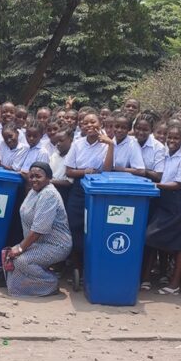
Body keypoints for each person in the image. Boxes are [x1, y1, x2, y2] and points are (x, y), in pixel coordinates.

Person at [5, 162, 72, 297]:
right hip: (39, 243)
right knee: (8, 255)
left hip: (56, 245)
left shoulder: (49, 195)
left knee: (21, 260)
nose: (34, 180)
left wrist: (20, 249)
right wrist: (17, 249)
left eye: (38, 176)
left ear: (48, 178)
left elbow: (38, 230)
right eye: (31, 176)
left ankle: (50, 283)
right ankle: (24, 285)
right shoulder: (34, 191)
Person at [144, 124, 181, 295]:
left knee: (179, 245)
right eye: (169, 137)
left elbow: (178, 184)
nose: (171, 140)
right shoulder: (163, 153)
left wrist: (155, 184)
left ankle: (175, 283)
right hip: (162, 201)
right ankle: (147, 278)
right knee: (151, 238)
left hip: (176, 203)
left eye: (176, 138)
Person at [64, 113, 110, 269]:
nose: (89, 125)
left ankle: (93, 265)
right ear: (81, 126)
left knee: (95, 227)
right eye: (85, 123)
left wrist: (111, 145)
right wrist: (86, 171)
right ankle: (76, 267)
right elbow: (69, 171)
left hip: (99, 190)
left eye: (93, 122)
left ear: (101, 123)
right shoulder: (77, 144)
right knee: (74, 225)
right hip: (79, 188)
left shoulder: (107, 144)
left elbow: (108, 170)